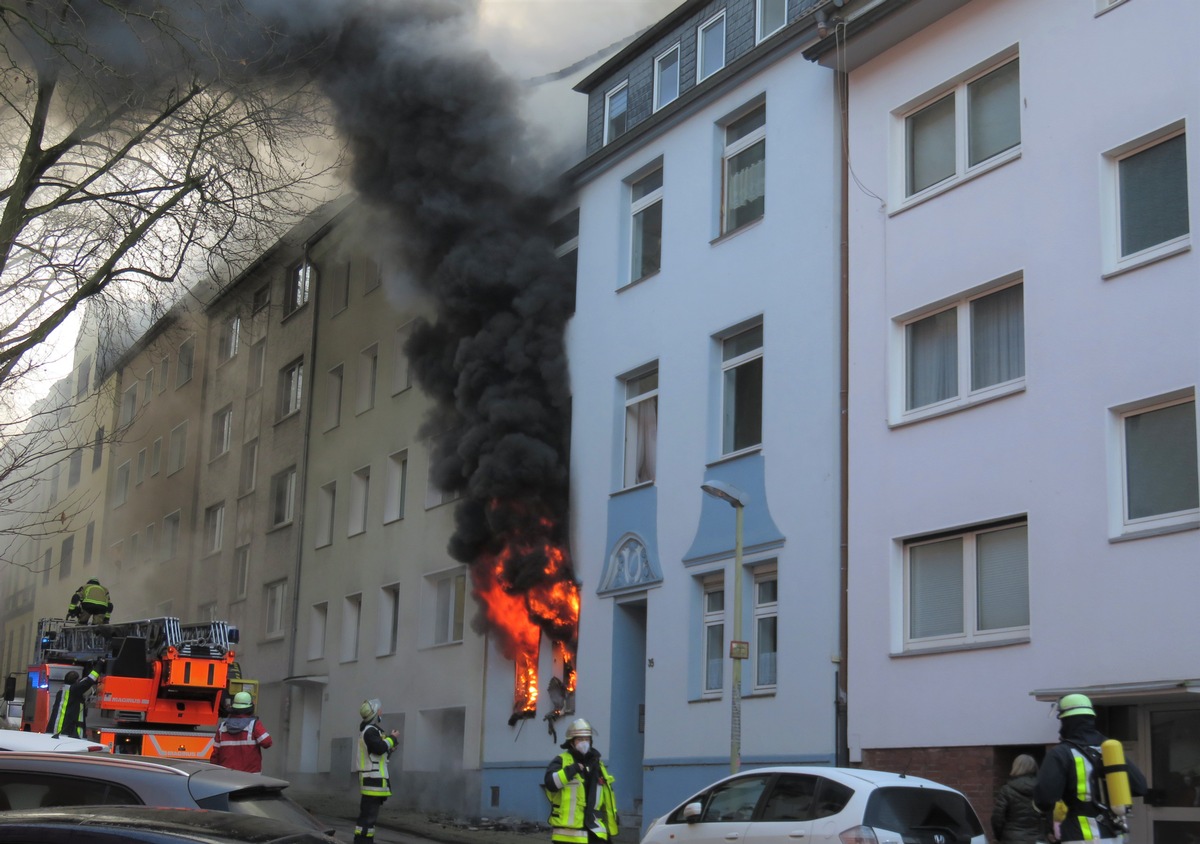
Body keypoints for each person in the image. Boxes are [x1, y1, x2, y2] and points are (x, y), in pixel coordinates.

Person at [1033, 694, 1148, 843]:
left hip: (1080, 836)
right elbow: (1140, 787)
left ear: (1065, 720)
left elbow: (1045, 799)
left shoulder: (1061, 753)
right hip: (1115, 835)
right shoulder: (1109, 749)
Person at [543, 718, 618, 844]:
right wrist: (572, 770)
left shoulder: (597, 764)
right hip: (568, 836)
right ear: (571, 742)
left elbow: (606, 797)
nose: (584, 743)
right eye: (580, 739)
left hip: (595, 831)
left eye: (587, 739)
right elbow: (550, 783)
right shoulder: (561, 761)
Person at [353, 698, 399, 844]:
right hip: (372, 782)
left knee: (368, 820)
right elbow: (379, 748)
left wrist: (389, 748)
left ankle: (364, 841)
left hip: (372, 782)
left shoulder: (370, 731)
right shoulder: (370, 731)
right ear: (375, 713)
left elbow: (378, 755)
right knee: (367, 819)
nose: (381, 712)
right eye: (380, 710)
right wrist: (393, 738)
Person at [211, 691, 273, 773]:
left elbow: (215, 756)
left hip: (227, 777)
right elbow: (267, 743)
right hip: (250, 778)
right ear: (250, 707)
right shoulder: (254, 725)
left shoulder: (222, 727)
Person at [993, 754, 1048, 844]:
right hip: (1037, 838)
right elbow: (1048, 813)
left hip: (1012, 838)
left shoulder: (1007, 789)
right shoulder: (1042, 789)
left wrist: (1001, 836)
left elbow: (997, 818)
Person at [46, 662, 101, 738]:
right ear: (76, 682)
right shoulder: (74, 690)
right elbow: (90, 680)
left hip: (57, 731)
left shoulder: (62, 691)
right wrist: (100, 664)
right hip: (66, 732)